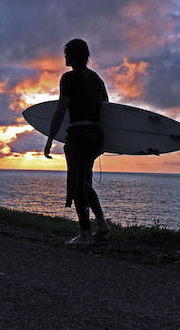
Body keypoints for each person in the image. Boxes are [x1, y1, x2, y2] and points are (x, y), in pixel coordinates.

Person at [44, 39, 111, 246]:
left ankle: (87, 233)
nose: (64, 57)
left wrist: (49, 140)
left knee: (77, 182)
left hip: (78, 135)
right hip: (96, 136)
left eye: (66, 53)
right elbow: (107, 109)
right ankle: (99, 225)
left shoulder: (68, 78)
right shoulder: (97, 79)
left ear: (73, 56)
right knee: (84, 180)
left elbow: (61, 109)